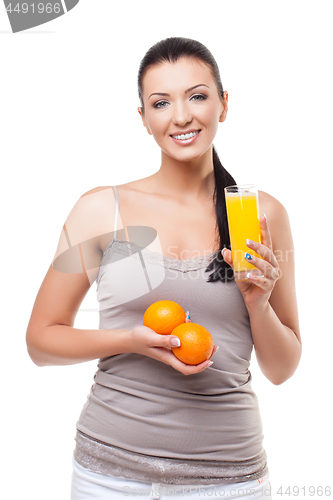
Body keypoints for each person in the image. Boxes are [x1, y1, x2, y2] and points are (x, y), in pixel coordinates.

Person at [26, 37, 301, 499]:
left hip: (230, 481)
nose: (181, 117)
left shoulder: (259, 215)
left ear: (223, 104)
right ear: (143, 118)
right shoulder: (102, 211)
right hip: (108, 477)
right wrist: (130, 342)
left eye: (197, 96)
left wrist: (258, 304)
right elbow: (40, 342)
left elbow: (283, 367)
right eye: (160, 103)